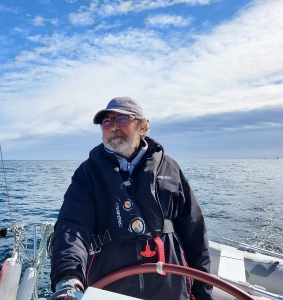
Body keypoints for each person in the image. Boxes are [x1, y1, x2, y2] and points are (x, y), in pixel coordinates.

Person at [49, 97, 213, 300]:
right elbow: (72, 228)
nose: (113, 127)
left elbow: (194, 233)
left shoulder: (171, 169)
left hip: (170, 291)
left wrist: (202, 292)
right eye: (106, 122)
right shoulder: (87, 173)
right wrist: (68, 280)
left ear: (143, 127)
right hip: (108, 291)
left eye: (121, 119)